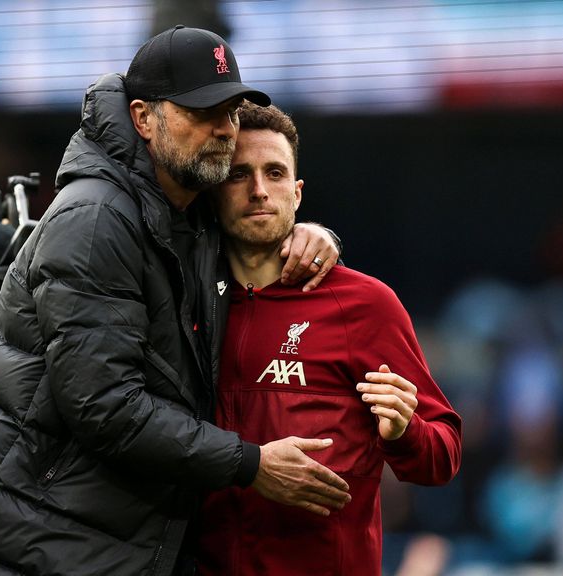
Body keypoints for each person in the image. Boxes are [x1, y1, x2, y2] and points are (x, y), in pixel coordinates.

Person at [0, 26, 349, 576]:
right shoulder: (94, 219)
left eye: (231, 112)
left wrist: (314, 235)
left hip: (90, 544)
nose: (223, 130)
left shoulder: (190, 202)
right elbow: (104, 407)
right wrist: (250, 463)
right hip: (12, 549)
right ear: (143, 118)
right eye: (202, 111)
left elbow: (264, 214)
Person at [196, 103, 463, 576]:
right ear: (214, 193)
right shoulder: (187, 304)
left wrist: (405, 431)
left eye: (274, 173)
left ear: (296, 194)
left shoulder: (366, 304)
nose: (259, 190)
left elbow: (443, 456)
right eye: (239, 175)